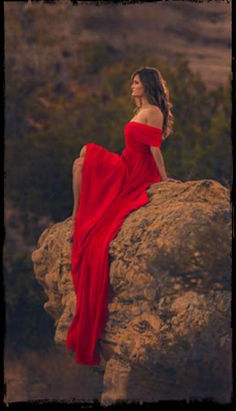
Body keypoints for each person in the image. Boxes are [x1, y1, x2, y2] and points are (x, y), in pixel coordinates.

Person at [65, 67, 181, 365]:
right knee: (80, 161)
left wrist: (164, 179)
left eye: (137, 82)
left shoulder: (153, 111)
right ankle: (77, 214)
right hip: (125, 161)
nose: (132, 86)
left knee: (84, 158)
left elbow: (154, 149)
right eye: (132, 82)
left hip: (135, 171)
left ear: (148, 85)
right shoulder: (141, 109)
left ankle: (79, 217)